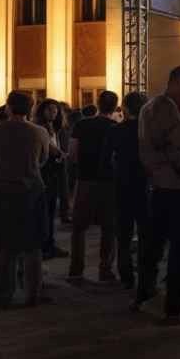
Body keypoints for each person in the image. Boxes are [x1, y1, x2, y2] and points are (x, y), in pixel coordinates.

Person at [135, 66, 180, 325]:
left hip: (159, 187)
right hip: (178, 188)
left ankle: (144, 296)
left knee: (152, 248)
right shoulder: (168, 109)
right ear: (174, 82)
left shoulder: (148, 107)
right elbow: (176, 145)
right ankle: (173, 308)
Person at [0, 91, 51, 307]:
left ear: (8, 108)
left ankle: (3, 294)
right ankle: (33, 292)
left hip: (2, 189)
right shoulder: (39, 131)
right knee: (33, 244)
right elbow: (44, 159)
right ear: (30, 109)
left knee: (3, 244)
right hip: (31, 190)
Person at [67, 90, 120, 283]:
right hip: (108, 181)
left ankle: (76, 269)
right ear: (115, 106)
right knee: (109, 227)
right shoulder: (116, 127)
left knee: (79, 227)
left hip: (85, 180)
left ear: (97, 104)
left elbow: (72, 154)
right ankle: (105, 270)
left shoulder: (81, 125)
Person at [107, 91, 148, 289]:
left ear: (125, 108)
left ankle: (126, 275)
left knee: (123, 234)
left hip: (122, 185)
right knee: (146, 233)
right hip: (146, 185)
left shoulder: (116, 130)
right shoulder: (149, 131)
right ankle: (146, 273)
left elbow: (107, 160)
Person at [34, 99, 69, 260]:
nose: (53, 113)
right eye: (50, 110)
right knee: (45, 210)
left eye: (56, 110)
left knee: (50, 209)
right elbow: (50, 148)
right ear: (42, 111)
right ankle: (43, 245)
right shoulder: (40, 128)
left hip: (54, 171)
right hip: (45, 172)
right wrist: (61, 154)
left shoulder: (55, 129)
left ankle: (49, 243)